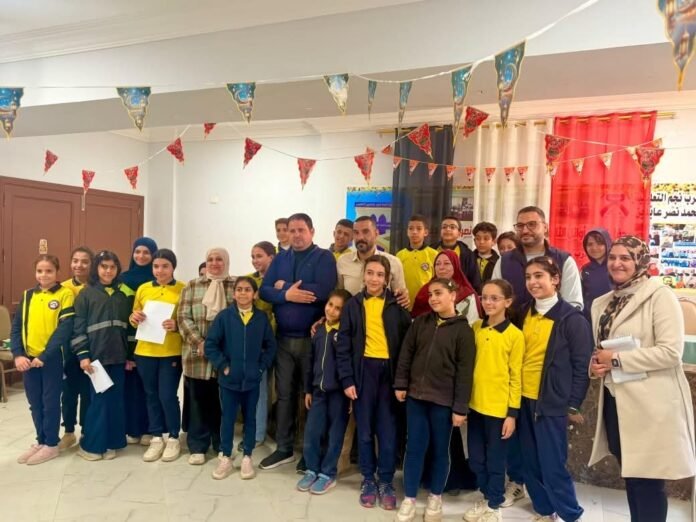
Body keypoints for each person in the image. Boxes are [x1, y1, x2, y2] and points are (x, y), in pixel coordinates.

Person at [589, 236, 695, 522]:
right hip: (616, 401)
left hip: (650, 405)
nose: (617, 263)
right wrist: (596, 365)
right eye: (613, 257)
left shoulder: (659, 296)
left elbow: (671, 352)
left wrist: (616, 359)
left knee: (648, 482)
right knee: (633, 476)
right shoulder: (603, 302)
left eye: (625, 257)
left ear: (641, 261)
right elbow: (600, 349)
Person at [259, 213, 337, 471]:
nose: (296, 235)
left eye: (301, 230)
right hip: (283, 339)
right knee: (284, 396)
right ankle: (284, 448)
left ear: (312, 231)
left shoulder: (324, 257)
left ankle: (308, 451)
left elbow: (324, 290)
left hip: (311, 341)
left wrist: (286, 286)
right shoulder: (281, 258)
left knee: (310, 397)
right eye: (291, 230)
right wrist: (286, 295)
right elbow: (265, 290)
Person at [394, 278, 476, 522]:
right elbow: (406, 354)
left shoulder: (463, 331)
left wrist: (460, 408)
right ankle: (409, 498)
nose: (433, 298)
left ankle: (435, 497)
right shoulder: (421, 323)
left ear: (453, 295)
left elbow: (465, 372)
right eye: (430, 294)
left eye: (438, 293)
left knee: (441, 450)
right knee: (414, 447)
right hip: (416, 398)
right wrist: (401, 383)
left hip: (443, 402)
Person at [517, 256, 592, 522]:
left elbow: (582, 365)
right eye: (528, 277)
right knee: (529, 462)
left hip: (550, 402)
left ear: (556, 279)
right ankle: (545, 511)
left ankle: (570, 515)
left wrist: (572, 403)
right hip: (521, 400)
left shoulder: (571, 319)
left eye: (539, 276)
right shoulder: (522, 312)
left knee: (552, 465)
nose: (533, 282)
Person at [336, 255, 412, 511]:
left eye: (380, 274)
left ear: (388, 278)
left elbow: (407, 347)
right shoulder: (353, 305)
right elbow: (343, 345)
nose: (374, 279)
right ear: (364, 275)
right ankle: (368, 479)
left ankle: (386, 481)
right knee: (365, 430)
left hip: (389, 374)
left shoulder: (398, 306)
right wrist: (347, 379)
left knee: (388, 431)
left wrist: (402, 381)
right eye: (370, 273)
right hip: (363, 373)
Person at [463, 279, 524, 522]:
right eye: (484, 297)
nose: (488, 302)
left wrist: (512, 414)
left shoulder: (515, 335)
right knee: (477, 460)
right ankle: (489, 496)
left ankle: (494, 506)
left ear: (507, 302)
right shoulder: (476, 327)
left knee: (496, 462)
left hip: (499, 411)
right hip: (475, 406)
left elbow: (515, 377)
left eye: (494, 298)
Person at [205, 276, 277, 480]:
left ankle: (247, 456)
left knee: (250, 419)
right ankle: (226, 457)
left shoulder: (261, 318)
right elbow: (211, 345)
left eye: (247, 289)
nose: (243, 293)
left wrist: (260, 368)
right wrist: (223, 366)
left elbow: (271, 346)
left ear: (255, 294)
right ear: (234, 293)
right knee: (227, 419)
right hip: (229, 381)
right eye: (239, 289)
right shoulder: (224, 317)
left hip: (252, 381)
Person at [12, 255, 75, 465]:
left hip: (51, 359)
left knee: (50, 402)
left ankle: (51, 444)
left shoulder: (65, 294)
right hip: (28, 359)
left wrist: (45, 355)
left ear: (57, 272)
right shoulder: (28, 295)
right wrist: (18, 354)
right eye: (40, 271)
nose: (44, 275)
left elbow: (65, 329)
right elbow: (17, 327)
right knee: (35, 403)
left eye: (49, 271)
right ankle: (41, 441)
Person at [177, 247, 235, 465]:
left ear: (226, 262)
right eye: (210, 259)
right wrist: (200, 342)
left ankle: (221, 444)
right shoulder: (192, 286)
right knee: (198, 402)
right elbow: (183, 317)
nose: (214, 263)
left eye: (219, 259)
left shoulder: (234, 285)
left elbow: (238, 317)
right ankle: (198, 446)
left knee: (222, 403)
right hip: (197, 354)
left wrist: (218, 347)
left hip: (225, 356)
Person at [72, 250, 130, 461]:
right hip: (96, 359)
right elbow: (78, 329)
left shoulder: (122, 295)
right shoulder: (86, 295)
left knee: (115, 401)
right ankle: (94, 446)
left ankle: (112, 443)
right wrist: (83, 355)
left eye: (112, 267)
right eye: (104, 266)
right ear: (96, 268)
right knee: (99, 401)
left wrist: (129, 356)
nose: (108, 271)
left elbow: (128, 328)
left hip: (119, 357)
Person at [129, 249, 185, 463]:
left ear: (173, 267)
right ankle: (156, 437)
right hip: (145, 351)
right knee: (151, 394)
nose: (160, 270)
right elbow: (134, 315)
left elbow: (187, 318)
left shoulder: (183, 289)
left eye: (165, 266)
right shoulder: (143, 289)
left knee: (168, 395)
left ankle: (173, 437)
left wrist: (176, 325)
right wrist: (135, 317)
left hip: (171, 352)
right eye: (156, 266)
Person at [297, 289, 353, 495]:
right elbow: (310, 361)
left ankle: (328, 473)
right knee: (312, 432)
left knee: (335, 434)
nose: (332, 310)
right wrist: (308, 390)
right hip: (318, 392)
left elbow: (350, 366)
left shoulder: (346, 334)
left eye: (338, 308)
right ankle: (312, 469)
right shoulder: (319, 330)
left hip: (339, 395)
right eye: (330, 305)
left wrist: (350, 395)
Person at [492, 207, 583, 313]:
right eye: (520, 226)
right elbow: (494, 299)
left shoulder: (564, 260)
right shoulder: (504, 261)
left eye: (532, 224)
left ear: (545, 227)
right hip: (513, 323)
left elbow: (573, 304)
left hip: (555, 323)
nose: (525, 230)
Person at [120, 237, 158, 446]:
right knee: (130, 388)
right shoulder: (122, 279)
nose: (141, 256)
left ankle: (149, 429)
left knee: (148, 387)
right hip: (127, 341)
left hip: (151, 343)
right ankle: (133, 428)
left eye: (146, 252)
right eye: (137, 252)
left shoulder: (158, 279)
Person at [59, 246, 94, 451]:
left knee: (88, 393)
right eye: (75, 261)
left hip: (91, 348)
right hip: (68, 350)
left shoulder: (96, 287)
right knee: (68, 393)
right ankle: (69, 432)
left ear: (92, 264)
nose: (79, 265)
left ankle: (87, 432)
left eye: (84, 261)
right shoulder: (62, 288)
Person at [337, 216, 409, 308]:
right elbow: (339, 294)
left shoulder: (393, 263)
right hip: (350, 315)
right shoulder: (343, 261)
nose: (360, 237)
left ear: (376, 234)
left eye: (365, 232)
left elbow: (400, 297)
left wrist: (404, 295)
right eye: (356, 232)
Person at [247, 240, 277, 449]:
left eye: (259, 256)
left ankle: (266, 430)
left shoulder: (279, 281)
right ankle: (255, 431)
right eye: (253, 256)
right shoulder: (249, 280)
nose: (255, 260)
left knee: (271, 390)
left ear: (271, 257)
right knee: (256, 388)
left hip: (273, 340)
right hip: (250, 341)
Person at [411, 249, 481, 325]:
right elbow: (415, 321)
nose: (441, 267)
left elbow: (473, 323)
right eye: (438, 264)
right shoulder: (425, 290)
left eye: (447, 263)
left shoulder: (467, 294)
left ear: (455, 266)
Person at [396, 214, 439, 310]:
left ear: (425, 232)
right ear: (407, 232)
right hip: (404, 305)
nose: (414, 232)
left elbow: (438, 282)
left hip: (426, 306)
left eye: (419, 229)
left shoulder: (434, 254)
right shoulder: (399, 255)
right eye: (411, 228)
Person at [433, 215, 482, 294]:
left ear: (459, 233)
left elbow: (475, 281)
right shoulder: (431, 250)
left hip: (460, 294)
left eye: (452, 227)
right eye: (444, 227)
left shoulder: (467, 254)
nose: (448, 229)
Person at [580, 228, 612, 323]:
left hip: (613, 318)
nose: (594, 248)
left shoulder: (615, 267)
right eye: (590, 244)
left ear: (607, 244)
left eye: (599, 243)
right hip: (590, 319)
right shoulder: (585, 270)